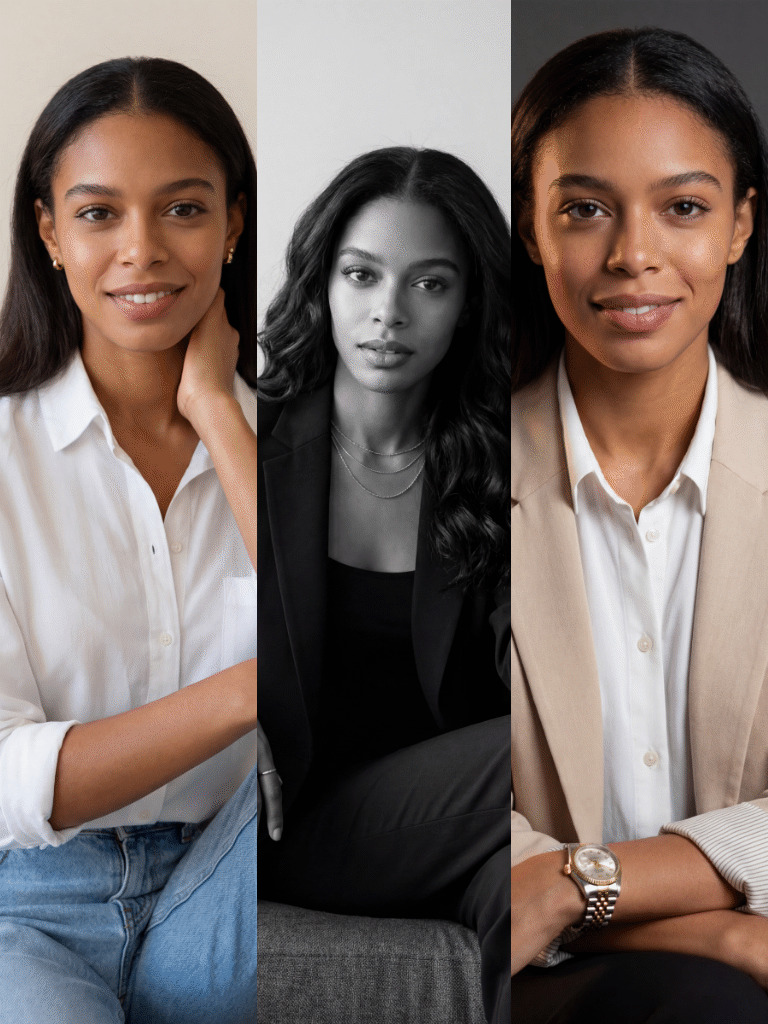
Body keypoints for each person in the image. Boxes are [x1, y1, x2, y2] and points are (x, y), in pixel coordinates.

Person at [510, 26, 768, 1022]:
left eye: (684, 208)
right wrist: (722, 926)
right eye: (584, 209)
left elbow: (536, 881)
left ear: (742, 224)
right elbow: (450, 824)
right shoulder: (455, 477)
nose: (633, 256)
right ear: (531, 226)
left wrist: (582, 881)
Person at [0, 57, 260, 1023]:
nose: (141, 249)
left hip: (226, 882)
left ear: (234, 223)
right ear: (49, 232)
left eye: (184, 209)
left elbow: (337, 675)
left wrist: (223, 418)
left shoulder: (291, 440)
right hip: (29, 909)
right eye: (100, 213)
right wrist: (245, 693)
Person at [257, 146, 512, 1024]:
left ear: (468, 301)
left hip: (459, 832)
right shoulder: (249, 444)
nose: (388, 314)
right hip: (299, 825)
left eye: (430, 284)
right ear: (322, 281)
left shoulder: (495, 462)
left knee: (527, 894)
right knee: (537, 749)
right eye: (362, 275)